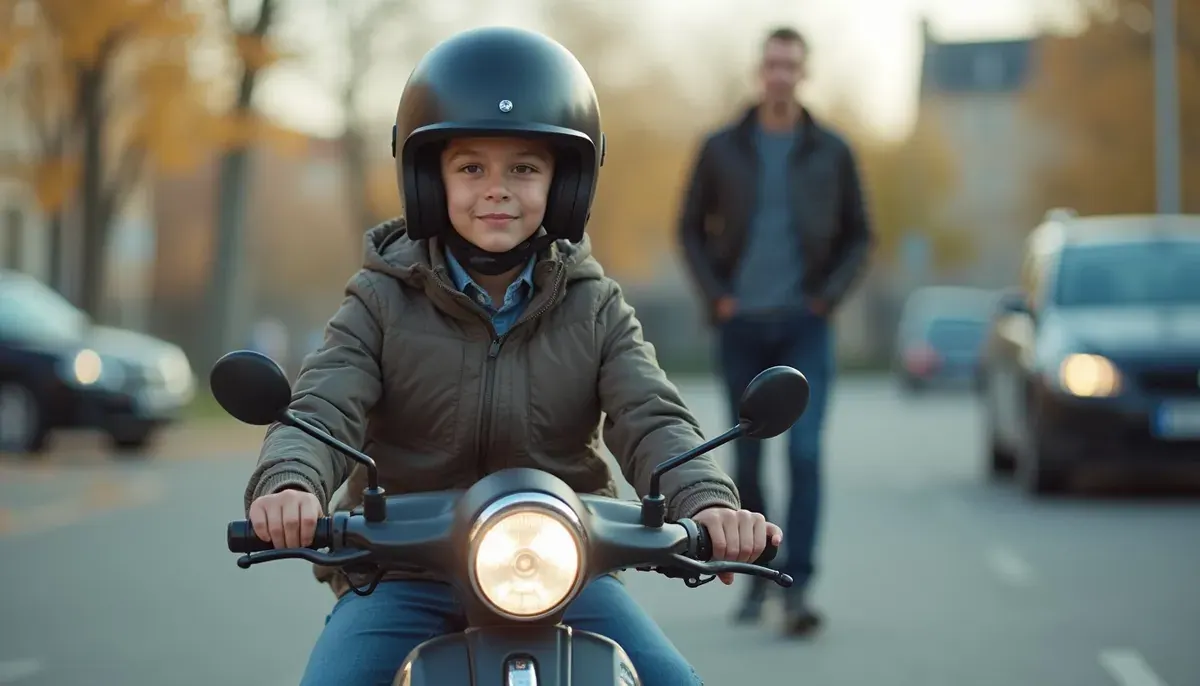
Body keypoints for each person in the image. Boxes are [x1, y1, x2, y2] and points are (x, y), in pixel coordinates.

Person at [241, 26, 784, 686]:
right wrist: (291, 483)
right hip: (406, 571)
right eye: (471, 167)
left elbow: (652, 414)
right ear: (427, 179)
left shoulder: (593, 304)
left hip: (564, 569)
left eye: (523, 168)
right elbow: (325, 402)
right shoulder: (380, 299)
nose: (497, 189)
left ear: (565, 184)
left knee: (673, 680)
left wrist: (707, 505)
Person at [677, 26, 873, 637]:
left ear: (802, 72)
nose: (780, 75)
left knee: (807, 453)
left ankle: (800, 586)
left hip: (804, 325)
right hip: (742, 326)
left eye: (791, 65)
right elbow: (688, 228)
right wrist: (720, 297)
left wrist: (827, 297)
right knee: (750, 462)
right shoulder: (722, 147)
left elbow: (860, 234)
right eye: (772, 65)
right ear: (760, 72)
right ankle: (758, 578)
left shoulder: (831, 151)